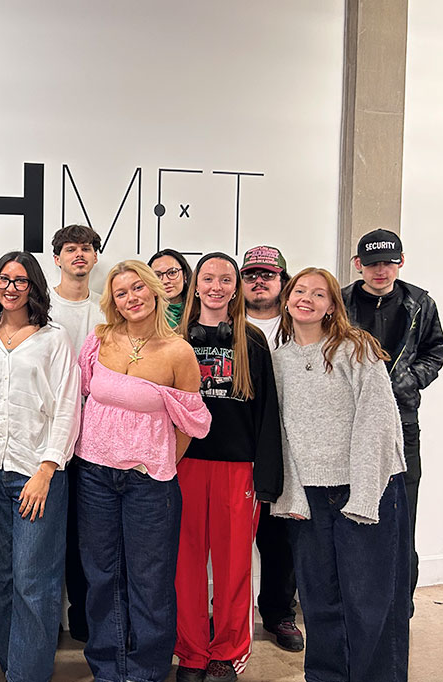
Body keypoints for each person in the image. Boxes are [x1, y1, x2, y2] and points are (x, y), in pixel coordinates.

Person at [271, 268, 409, 682]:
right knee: (319, 601)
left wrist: (364, 496)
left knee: (371, 602)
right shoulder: (278, 360)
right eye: (300, 291)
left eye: (319, 294)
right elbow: (279, 433)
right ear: (287, 300)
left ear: (332, 306)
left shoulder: (356, 349)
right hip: (311, 499)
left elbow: (378, 423)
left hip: (366, 488)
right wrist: (292, 496)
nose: (307, 299)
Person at [76, 260, 211, 682]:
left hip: (149, 483)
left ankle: (145, 672)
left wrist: (158, 458)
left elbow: (190, 423)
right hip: (94, 476)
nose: (131, 297)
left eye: (138, 288)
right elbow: (83, 396)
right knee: (101, 577)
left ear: (154, 290)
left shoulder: (178, 351)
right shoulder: (99, 341)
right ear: (113, 302)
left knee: (150, 582)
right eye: (121, 292)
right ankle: (108, 669)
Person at [0, 252, 81, 682]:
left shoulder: (54, 338)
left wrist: (47, 469)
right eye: (3, 279)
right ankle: (13, 665)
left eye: (20, 280)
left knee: (34, 580)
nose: (10, 287)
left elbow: (67, 407)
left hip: (37, 474)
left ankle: (27, 675)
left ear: (34, 286)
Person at [175, 252, 282, 682]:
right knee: (185, 566)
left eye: (225, 279)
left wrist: (267, 475)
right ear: (195, 286)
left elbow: (267, 411)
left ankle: (228, 651)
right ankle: (191, 651)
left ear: (235, 287)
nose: (216, 287)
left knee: (234, 565)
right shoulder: (175, 338)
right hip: (184, 464)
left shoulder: (250, 340)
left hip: (237, 468)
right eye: (208, 278)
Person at [341, 229, 443, 607]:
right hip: (349, 424)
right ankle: (355, 603)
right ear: (358, 264)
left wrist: (409, 380)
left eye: (388, 262)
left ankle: (400, 605)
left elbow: (435, 351)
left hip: (402, 422)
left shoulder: (420, 303)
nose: (381, 270)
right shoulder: (341, 302)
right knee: (351, 515)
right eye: (372, 264)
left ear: (401, 262)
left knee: (402, 516)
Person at [239, 245, 303, 653]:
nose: (259, 281)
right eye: (251, 275)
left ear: (283, 280)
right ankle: (227, 612)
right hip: (238, 443)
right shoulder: (225, 321)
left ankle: (279, 612)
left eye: (268, 274)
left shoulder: (299, 323)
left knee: (280, 538)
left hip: (287, 445)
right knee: (229, 539)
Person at [49, 224, 104, 642]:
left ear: (95, 257)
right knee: (54, 536)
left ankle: (86, 620)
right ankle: (51, 623)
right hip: (49, 437)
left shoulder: (106, 308)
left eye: (86, 248)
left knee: (89, 536)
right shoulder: (42, 306)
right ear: (57, 259)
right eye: (71, 249)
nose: (79, 255)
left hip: (97, 439)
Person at [148, 249, 193, 328]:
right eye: (157, 276)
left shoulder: (200, 309)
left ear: (185, 275)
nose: (165, 281)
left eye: (172, 273)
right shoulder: (146, 314)